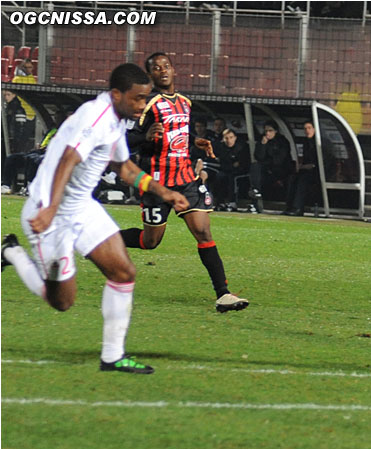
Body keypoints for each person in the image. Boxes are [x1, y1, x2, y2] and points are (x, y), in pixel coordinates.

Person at [0, 63, 189, 374]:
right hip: (50, 214)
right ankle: (13, 252)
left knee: (124, 272)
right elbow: (67, 159)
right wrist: (49, 208)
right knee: (61, 302)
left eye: (146, 99)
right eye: (137, 99)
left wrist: (164, 191)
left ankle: (113, 357)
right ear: (116, 94)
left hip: (82, 208)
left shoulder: (115, 119)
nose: (142, 106)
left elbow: (124, 168)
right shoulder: (95, 118)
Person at [120, 52, 249, 314]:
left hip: (186, 178)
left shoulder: (185, 103)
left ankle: (223, 294)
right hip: (158, 183)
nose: (163, 71)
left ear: (173, 70)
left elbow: (179, 134)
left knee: (203, 232)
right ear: (151, 76)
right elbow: (125, 140)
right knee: (150, 241)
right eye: (156, 68)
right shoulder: (147, 104)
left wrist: (195, 142)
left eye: (166, 66)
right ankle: (102, 239)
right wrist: (145, 136)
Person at [251, 120, 294, 204]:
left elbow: (279, 159)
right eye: (266, 131)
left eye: (270, 131)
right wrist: (263, 145)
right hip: (266, 169)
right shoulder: (262, 140)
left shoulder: (282, 141)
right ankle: (256, 192)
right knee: (255, 166)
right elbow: (258, 157)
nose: (267, 133)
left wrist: (267, 162)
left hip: (281, 169)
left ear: (276, 131)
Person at [283, 120, 320, 216]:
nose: (307, 131)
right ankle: (289, 206)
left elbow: (325, 161)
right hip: (307, 170)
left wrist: (312, 166)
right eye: (305, 128)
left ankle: (298, 208)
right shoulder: (306, 143)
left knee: (303, 180)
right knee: (292, 178)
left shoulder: (321, 142)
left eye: (309, 128)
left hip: (319, 172)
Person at [218, 128, 252, 212]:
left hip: (241, 171)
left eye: (231, 137)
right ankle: (220, 202)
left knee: (231, 177)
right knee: (218, 176)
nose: (229, 140)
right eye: (226, 138)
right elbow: (222, 161)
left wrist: (235, 164)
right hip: (227, 169)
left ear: (235, 137)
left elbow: (243, 162)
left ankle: (232, 202)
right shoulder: (221, 147)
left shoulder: (242, 147)